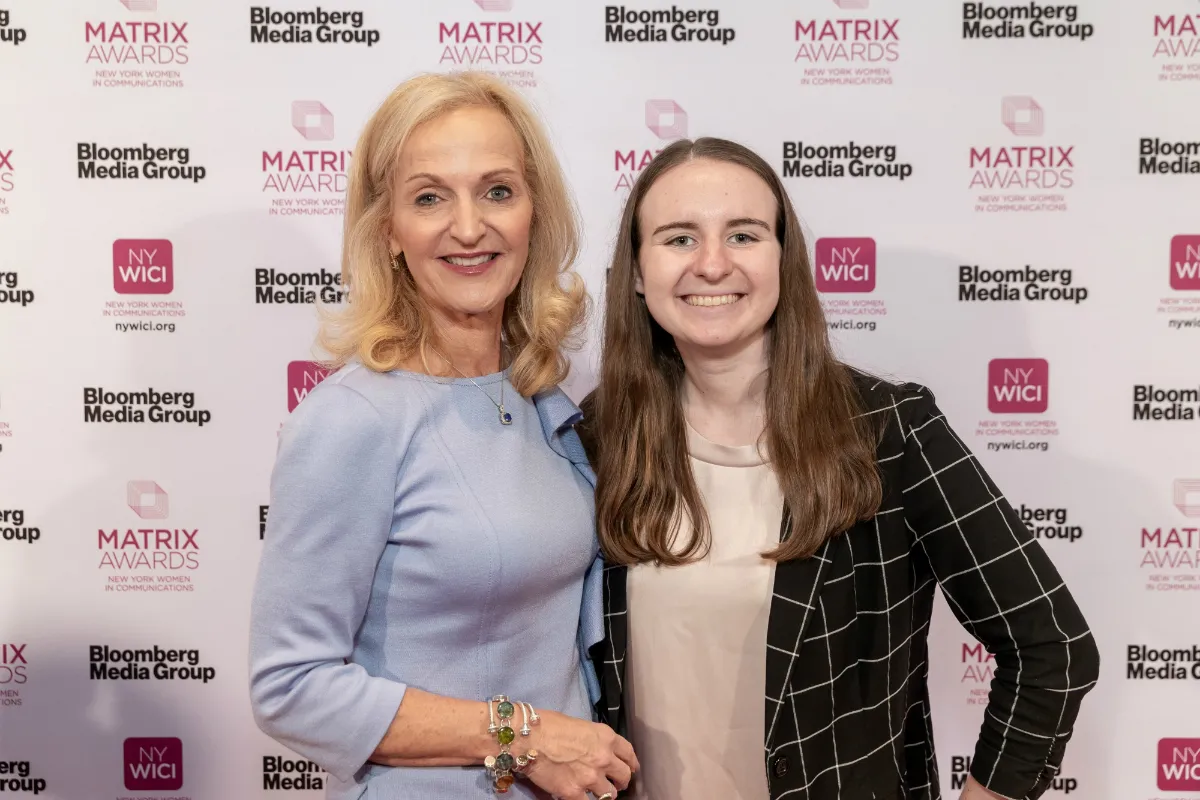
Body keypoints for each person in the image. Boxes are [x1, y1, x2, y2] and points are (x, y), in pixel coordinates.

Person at [578, 137, 1100, 800]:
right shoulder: (597, 437)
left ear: (783, 260)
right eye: (678, 238)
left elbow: (1053, 649)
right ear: (636, 272)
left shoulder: (888, 432)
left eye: (742, 234)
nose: (712, 264)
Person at [248, 71, 638, 800]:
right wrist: (525, 735)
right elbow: (289, 687)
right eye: (429, 197)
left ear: (533, 211)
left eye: (497, 190)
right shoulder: (353, 420)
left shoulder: (537, 397)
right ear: (388, 230)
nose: (468, 227)